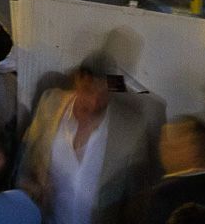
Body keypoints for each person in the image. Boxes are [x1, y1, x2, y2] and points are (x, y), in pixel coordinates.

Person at [17, 64, 159, 224]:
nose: (95, 101)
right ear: (77, 81)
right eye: (89, 90)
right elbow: (27, 164)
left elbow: (137, 201)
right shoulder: (50, 105)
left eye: (103, 93)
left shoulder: (130, 130)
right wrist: (32, 189)